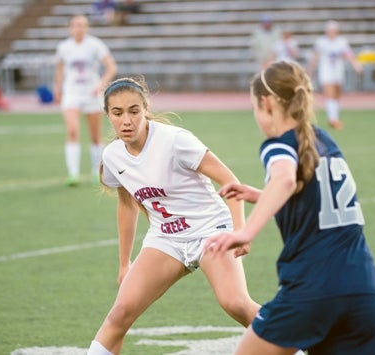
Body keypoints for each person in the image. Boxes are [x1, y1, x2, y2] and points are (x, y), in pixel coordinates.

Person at [204, 60, 375, 355]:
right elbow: (312, 192)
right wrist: (258, 195)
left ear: (266, 103)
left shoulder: (278, 144)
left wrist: (246, 231)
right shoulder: (321, 139)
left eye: (254, 107)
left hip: (313, 289)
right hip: (364, 287)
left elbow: (286, 179)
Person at [86, 76, 260, 355]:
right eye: (117, 113)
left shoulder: (175, 141)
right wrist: (124, 263)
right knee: (120, 313)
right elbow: (127, 205)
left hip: (209, 230)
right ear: (108, 115)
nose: (126, 121)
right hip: (165, 239)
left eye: (134, 111)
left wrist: (240, 230)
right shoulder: (113, 157)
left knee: (235, 303)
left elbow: (230, 182)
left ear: (145, 108)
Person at [53, 15, 117, 186]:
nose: (78, 28)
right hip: (71, 93)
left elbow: (111, 67)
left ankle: (97, 171)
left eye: (82, 25)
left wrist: (101, 84)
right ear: (70, 27)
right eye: (75, 25)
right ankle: (73, 173)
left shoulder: (95, 45)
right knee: (73, 131)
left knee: (95, 135)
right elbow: (59, 69)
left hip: (91, 94)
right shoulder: (64, 47)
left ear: (87, 27)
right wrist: (57, 87)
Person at [308, 20, 362, 130]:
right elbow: (315, 57)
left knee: (337, 95)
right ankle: (333, 119)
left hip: (338, 71)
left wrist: (356, 64)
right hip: (326, 71)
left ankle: (334, 117)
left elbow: (348, 54)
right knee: (329, 94)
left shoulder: (341, 42)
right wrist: (310, 70)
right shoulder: (321, 42)